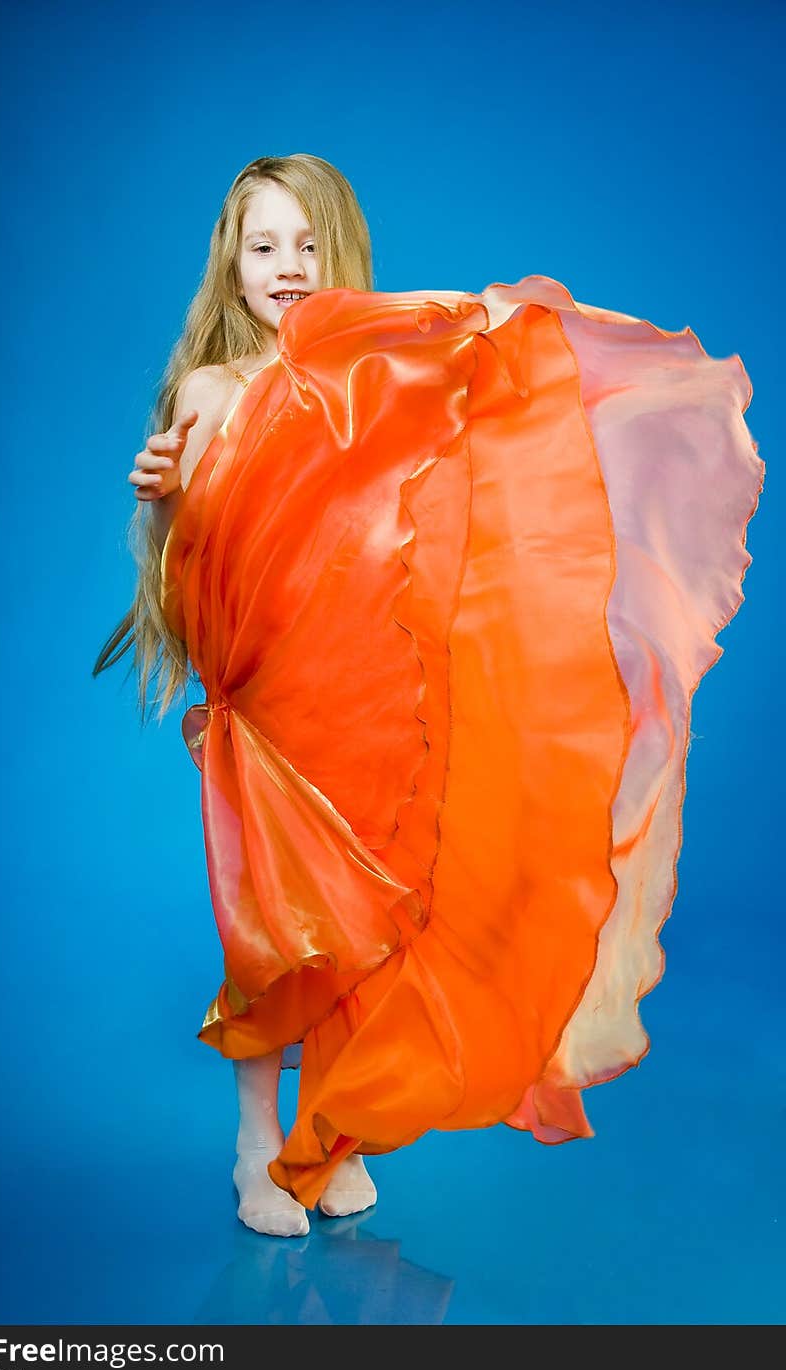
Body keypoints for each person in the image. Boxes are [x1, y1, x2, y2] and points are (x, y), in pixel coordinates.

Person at [93, 152, 763, 1239]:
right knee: (276, 938)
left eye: (307, 243)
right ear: (230, 264)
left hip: (356, 704)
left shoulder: (373, 377)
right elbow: (197, 557)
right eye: (263, 246)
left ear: (340, 252)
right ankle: (255, 1144)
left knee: (365, 925)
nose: (287, 266)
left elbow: (421, 506)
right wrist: (168, 497)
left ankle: (331, 1126)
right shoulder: (215, 390)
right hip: (266, 713)